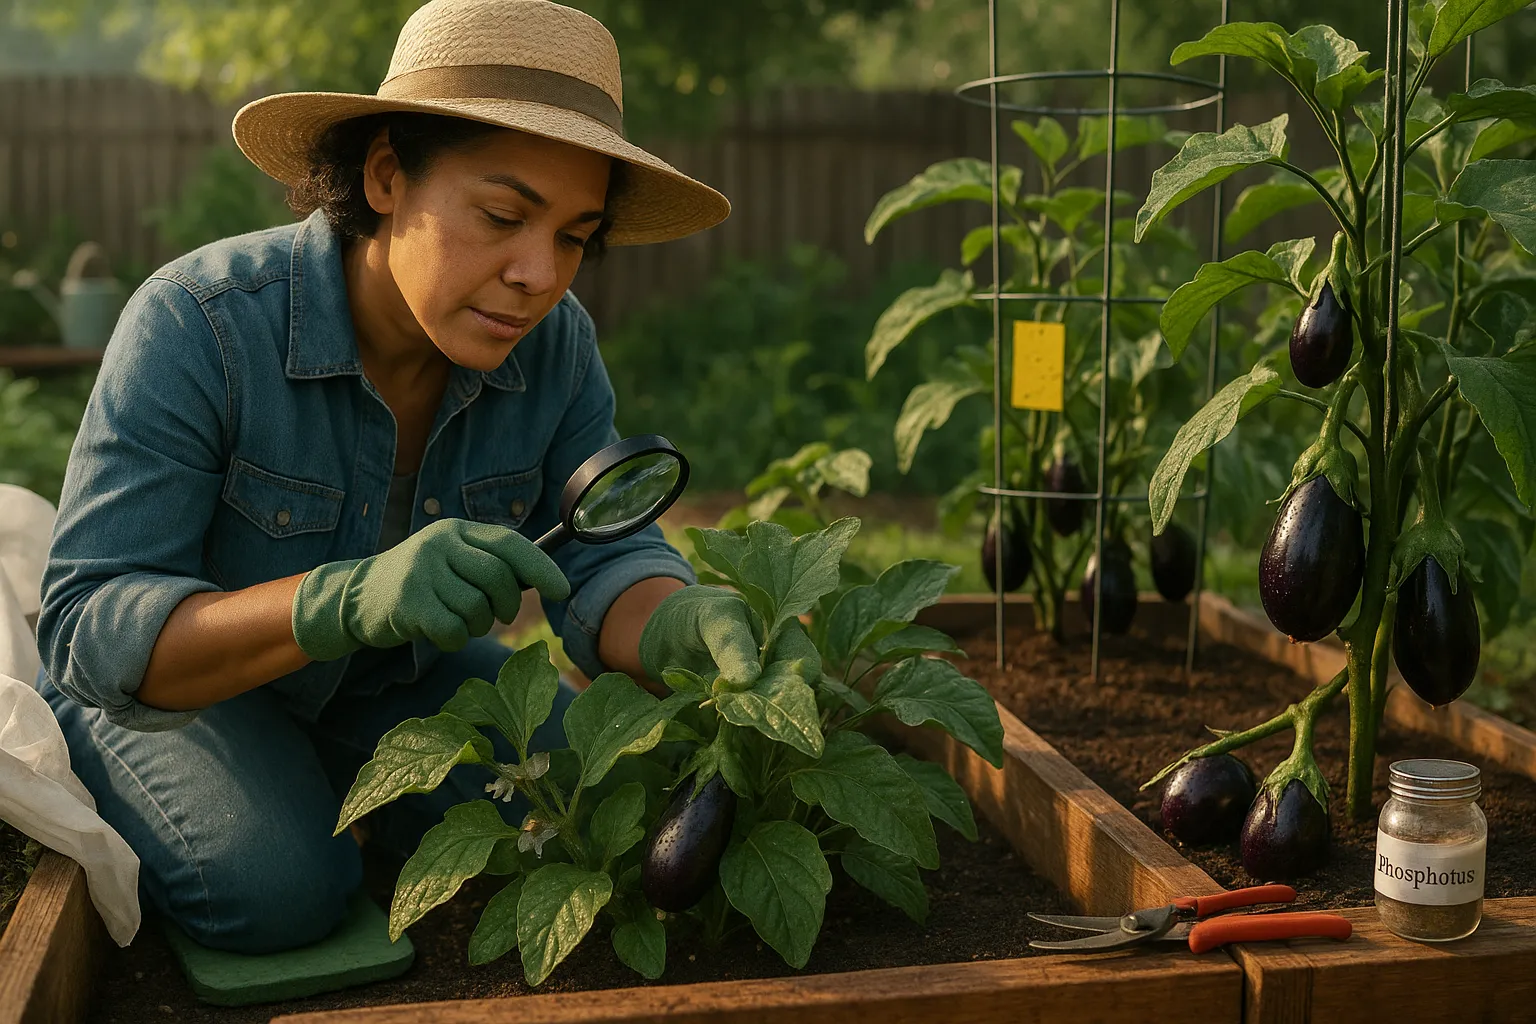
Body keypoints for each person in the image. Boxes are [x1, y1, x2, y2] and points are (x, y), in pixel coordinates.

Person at [37, 0, 763, 955]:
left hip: (398, 687)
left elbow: (606, 549)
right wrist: (339, 602)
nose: (539, 274)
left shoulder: (556, 351)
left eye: (576, 235)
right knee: (277, 889)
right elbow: (93, 622)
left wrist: (676, 620)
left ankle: (335, 790)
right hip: (192, 695)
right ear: (385, 177)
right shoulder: (199, 325)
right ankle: (298, 804)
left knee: (613, 810)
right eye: (504, 216)